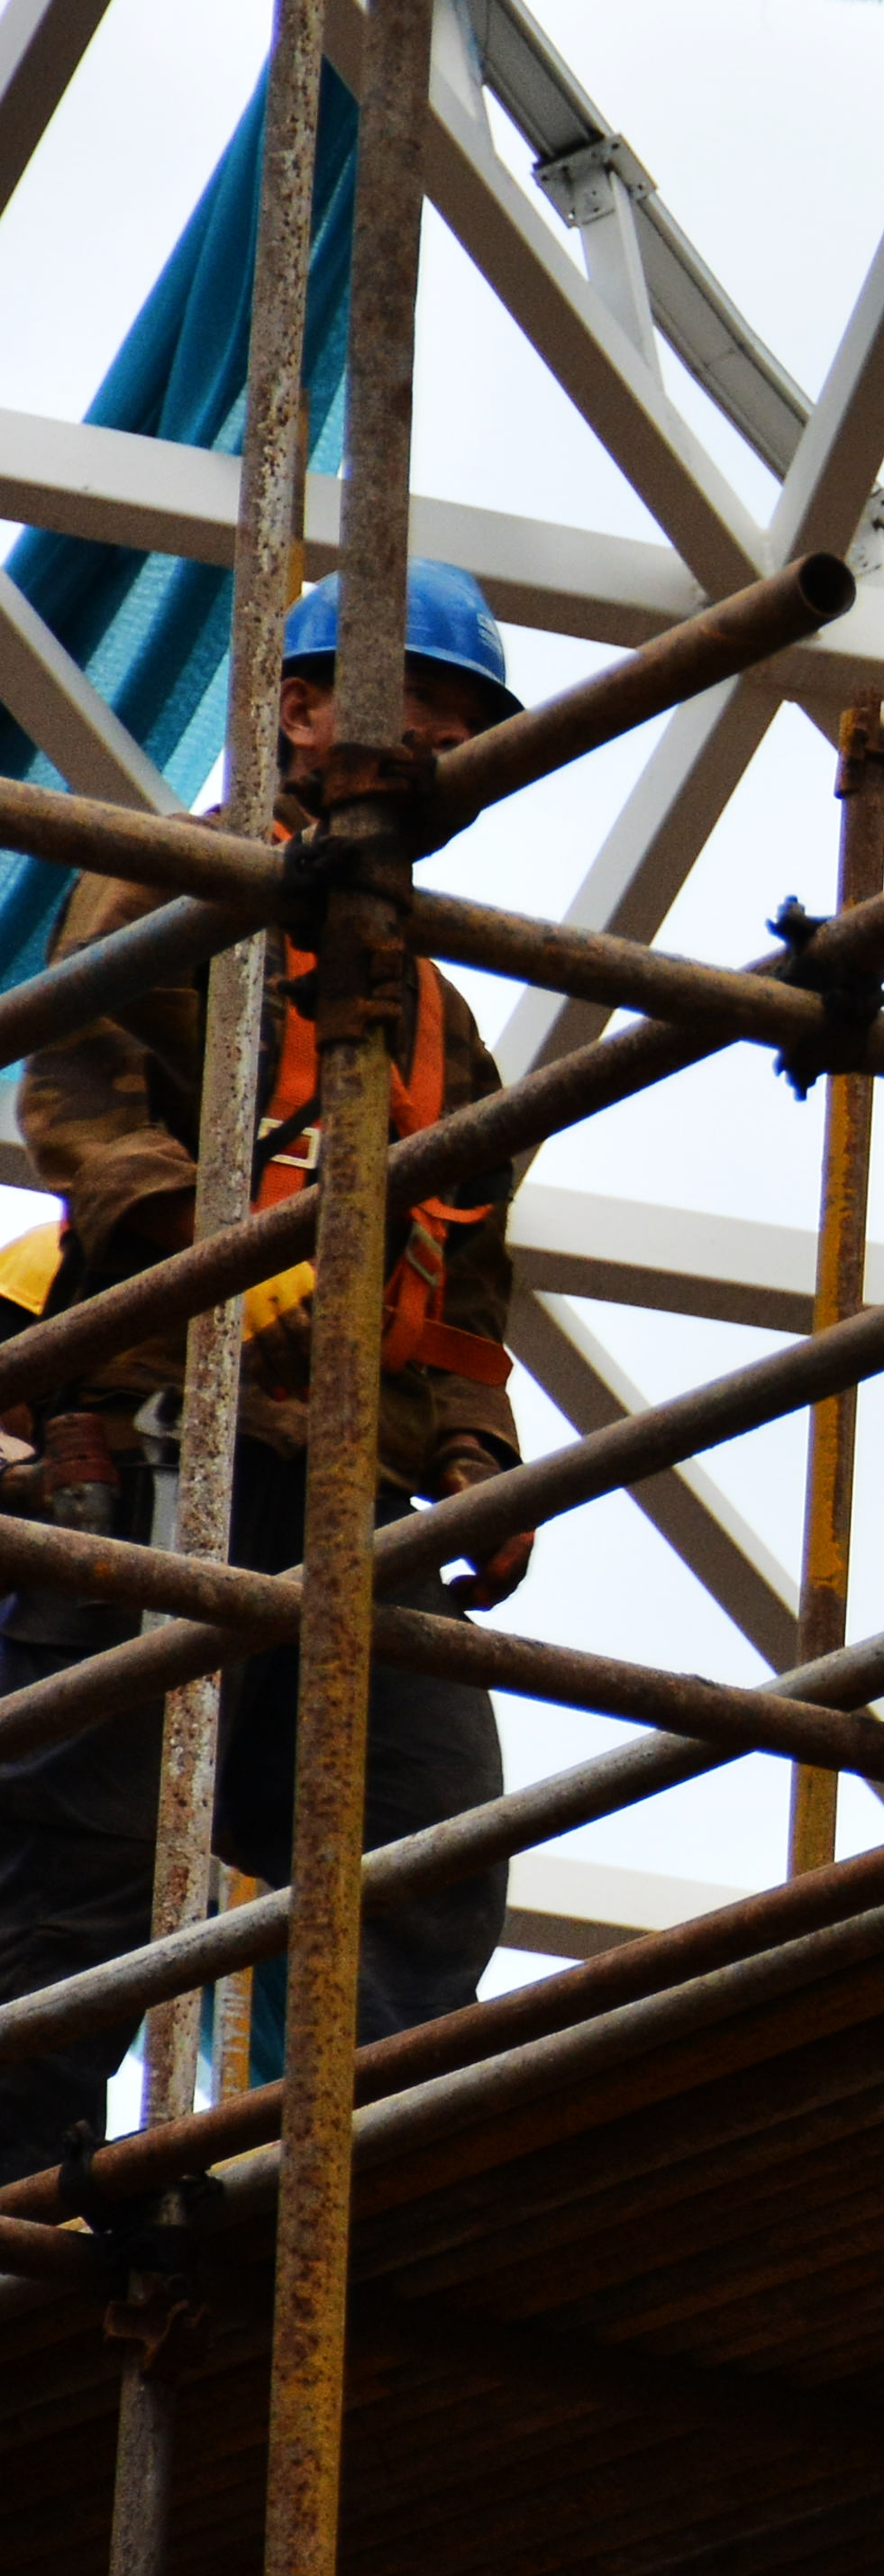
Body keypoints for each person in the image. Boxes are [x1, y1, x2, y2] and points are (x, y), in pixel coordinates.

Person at [0, 562, 541, 2196]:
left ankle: (332, 2170)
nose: (429, 755)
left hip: (351, 1487)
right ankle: (21, 2190)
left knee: (428, 1843)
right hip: (161, 1429)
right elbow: (79, 1097)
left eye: (454, 733)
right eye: (404, 719)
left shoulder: (448, 1026)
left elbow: (469, 1269)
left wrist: (476, 1451)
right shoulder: (184, 885)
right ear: (297, 710)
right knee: (86, 1848)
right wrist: (222, 1248)